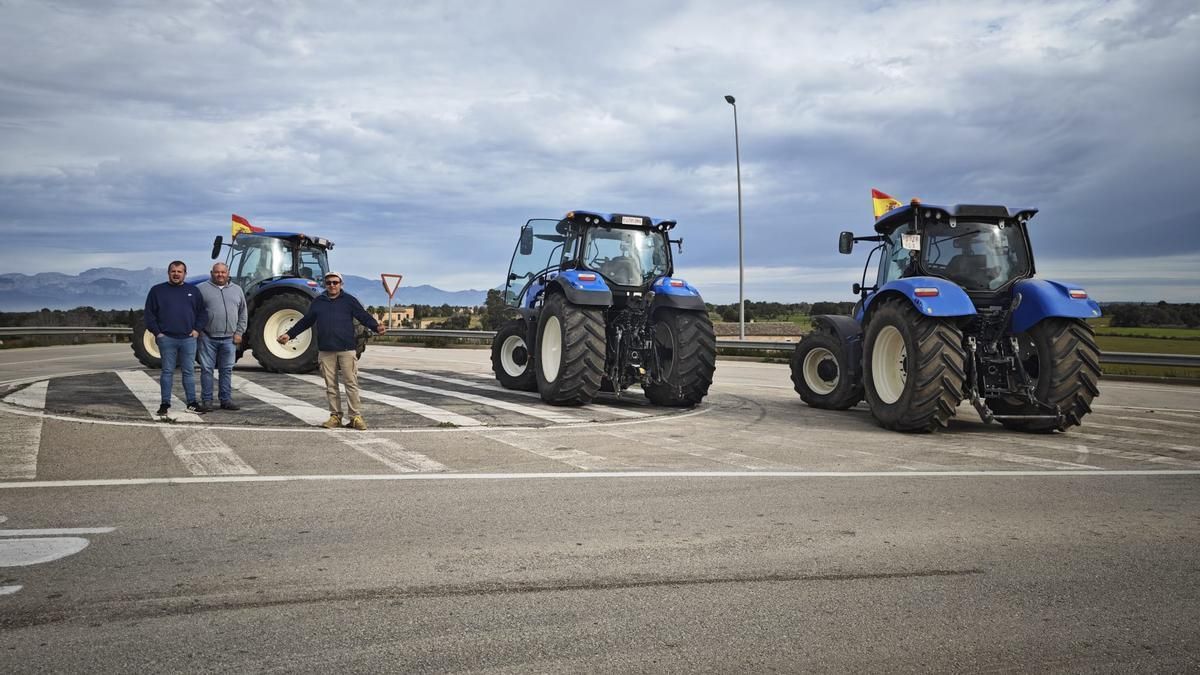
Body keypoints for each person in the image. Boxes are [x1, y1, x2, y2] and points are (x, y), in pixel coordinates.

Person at [277, 271, 385, 430]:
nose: (332, 285)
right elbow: (306, 321)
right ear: (325, 284)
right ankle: (335, 416)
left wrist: (376, 327)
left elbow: (363, 316)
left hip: (347, 349)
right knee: (331, 386)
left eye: (335, 282)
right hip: (326, 350)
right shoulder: (318, 302)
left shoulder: (349, 300)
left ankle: (355, 417)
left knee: (351, 384)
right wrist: (289, 334)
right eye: (329, 283)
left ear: (341, 284)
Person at [144, 260, 208, 416]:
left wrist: (196, 330)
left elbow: (202, 313)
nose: (176, 274)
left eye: (180, 271)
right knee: (167, 372)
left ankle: (191, 403)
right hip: (167, 339)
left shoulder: (193, 291)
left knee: (189, 372)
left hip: (188, 339)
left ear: (185, 274)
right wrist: (158, 333)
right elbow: (149, 315)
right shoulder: (157, 291)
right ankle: (165, 404)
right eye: (173, 271)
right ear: (168, 273)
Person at [196, 262, 248, 411]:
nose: (220, 275)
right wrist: (198, 330)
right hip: (207, 337)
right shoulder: (201, 289)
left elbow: (243, 313)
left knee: (226, 370)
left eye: (223, 272)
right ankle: (207, 401)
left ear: (228, 273)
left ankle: (225, 400)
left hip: (229, 338)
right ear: (211, 273)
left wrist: (239, 332)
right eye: (217, 272)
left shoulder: (237, 290)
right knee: (207, 370)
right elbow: (193, 311)